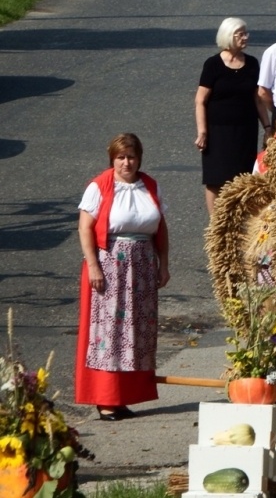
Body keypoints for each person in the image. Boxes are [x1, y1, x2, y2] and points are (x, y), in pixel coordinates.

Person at [75, 133, 169, 421]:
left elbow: (161, 228)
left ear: (139, 158)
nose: (126, 163)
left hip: (141, 265)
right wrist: (93, 266)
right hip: (110, 266)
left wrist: (163, 264)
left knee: (136, 333)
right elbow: (85, 228)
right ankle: (106, 399)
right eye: (120, 157)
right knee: (110, 334)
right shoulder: (99, 186)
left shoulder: (149, 185)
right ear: (112, 159)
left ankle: (123, 396)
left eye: (131, 157)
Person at [195, 17, 267, 216]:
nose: (246, 37)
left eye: (246, 33)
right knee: (215, 179)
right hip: (217, 133)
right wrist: (202, 132)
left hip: (245, 131)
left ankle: (240, 220)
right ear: (229, 36)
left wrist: (268, 127)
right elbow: (200, 100)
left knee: (243, 178)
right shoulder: (213, 65)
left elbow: (258, 99)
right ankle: (216, 224)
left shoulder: (252, 63)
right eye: (241, 34)